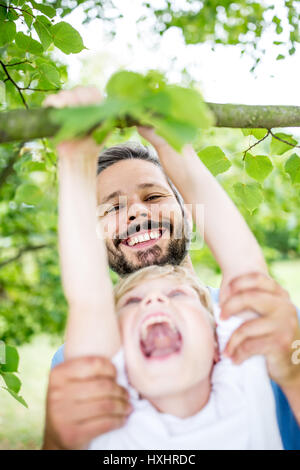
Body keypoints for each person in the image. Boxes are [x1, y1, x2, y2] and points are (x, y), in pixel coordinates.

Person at [42, 87, 300, 450]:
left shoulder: (264, 326)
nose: (136, 212)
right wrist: (74, 160)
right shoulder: (83, 359)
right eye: (111, 209)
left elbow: (246, 269)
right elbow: (87, 300)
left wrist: (172, 143)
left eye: (153, 197)